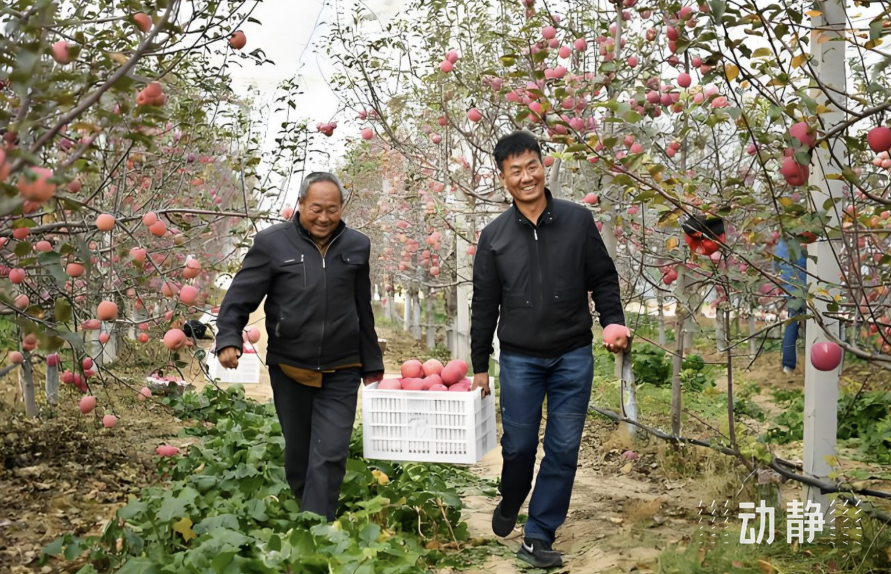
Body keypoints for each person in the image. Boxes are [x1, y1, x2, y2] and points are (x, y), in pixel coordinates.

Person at [470, 131, 628, 568]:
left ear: (545, 166)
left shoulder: (578, 221)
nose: (526, 177)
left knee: (562, 448)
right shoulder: (494, 237)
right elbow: (483, 304)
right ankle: (512, 495)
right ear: (503, 178)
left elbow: (604, 277)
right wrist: (479, 363)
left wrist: (612, 319)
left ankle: (538, 533)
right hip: (519, 358)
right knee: (518, 446)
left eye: (532, 166)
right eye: (515, 170)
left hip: (572, 355)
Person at [215, 171, 384, 521]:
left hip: (343, 365)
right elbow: (240, 296)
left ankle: (315, 529)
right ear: (301, 204)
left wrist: (371, 363)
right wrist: (229, 336)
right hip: (291, 365)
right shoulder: (271, 243)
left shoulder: (357, 245)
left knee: (331, 452)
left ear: (342, 208)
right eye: (316, 208)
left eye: (332, 210)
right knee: (299, 453)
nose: (324, 217)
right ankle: (311, 509)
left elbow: (361, 306)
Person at [775, 238, 808, 374]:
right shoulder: (805, 241)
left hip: (790, 289)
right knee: (813, 324)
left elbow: (776, 266)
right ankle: (813, 359)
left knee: (792, 323)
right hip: (806, 289)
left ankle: (788, 364)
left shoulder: (782, 243)